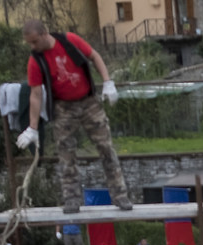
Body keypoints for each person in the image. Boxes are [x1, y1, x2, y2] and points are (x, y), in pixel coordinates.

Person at [20, 19, 127, 211]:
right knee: (66, 155)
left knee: (106, 148)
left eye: (35, 41)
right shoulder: (35, 61)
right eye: (29, 43)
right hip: (63, 108)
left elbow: (94, 56)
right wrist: (32, 128)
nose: (32, 46)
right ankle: (71, 199)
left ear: (45, 34)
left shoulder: (69, 40)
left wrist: (107, 81)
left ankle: (120, 196)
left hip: (89, 103)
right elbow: (35, 95)